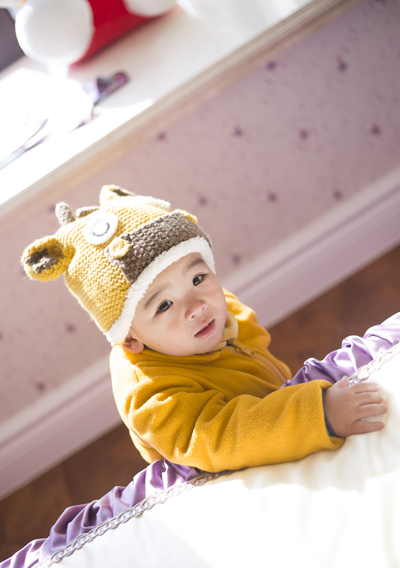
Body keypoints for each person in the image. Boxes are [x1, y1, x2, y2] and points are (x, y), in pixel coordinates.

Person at [22, 185, 389, 474]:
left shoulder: (220, 310)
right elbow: (222, 437)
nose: (196, 306)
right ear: (129, 338)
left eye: (198, 278)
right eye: (164, 305)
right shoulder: (150, 396)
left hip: (272, 409)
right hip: (226, 471)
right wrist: (318, 414)